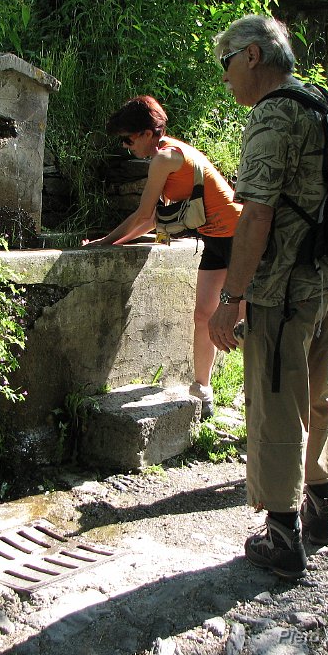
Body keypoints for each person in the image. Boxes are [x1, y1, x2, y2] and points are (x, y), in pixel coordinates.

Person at [208, 15, 328, 579]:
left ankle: (282, 536)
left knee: (274, 404)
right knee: (315, 394)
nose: (225, 79)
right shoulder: (322, 106)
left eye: (225, 65)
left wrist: (232, 297)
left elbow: (257, 216)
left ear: (251, 56)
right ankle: (320, 509)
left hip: (286, 289)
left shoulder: (274, 114)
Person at [83, 95, 243, 419]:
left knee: (247, 321)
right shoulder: (168, 155)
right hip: (214, 239)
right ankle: (203, 391)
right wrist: (111, 243)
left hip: (239, 239)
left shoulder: (165, 157)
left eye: (128, 139)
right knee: (204, 315)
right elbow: (155, 218)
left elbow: (144, 216)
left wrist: (103, 242)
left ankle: (260, 399)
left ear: (146, 133)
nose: (127, 147)